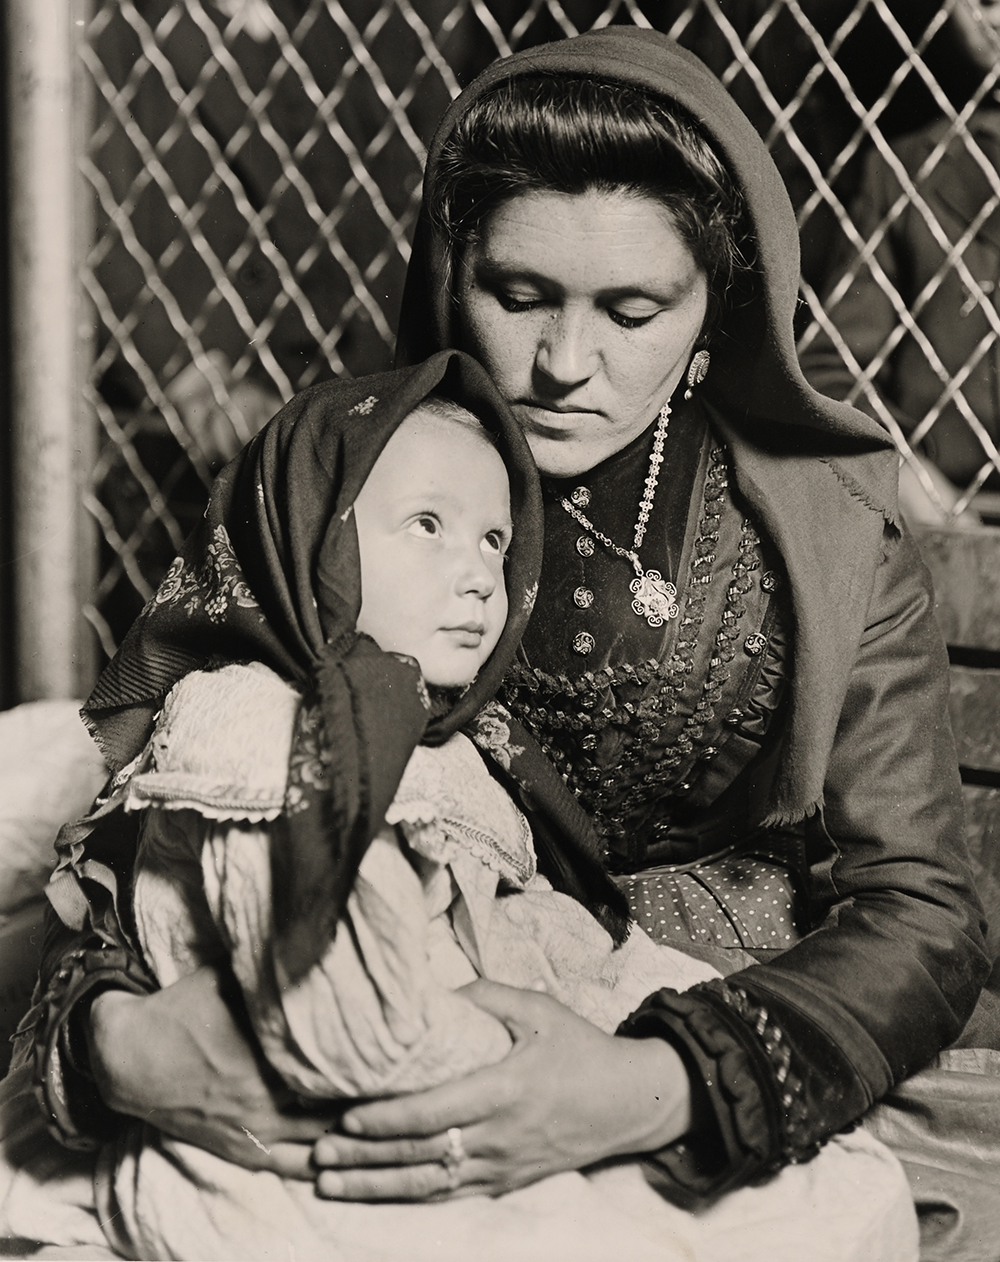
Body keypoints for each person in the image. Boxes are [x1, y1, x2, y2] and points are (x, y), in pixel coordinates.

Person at [13, 26, 998, 1259]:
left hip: (692, 1058)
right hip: (337, 1042)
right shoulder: (335, 485)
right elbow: (146, 814)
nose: (563, 363)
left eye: (632, 309)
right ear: (446, 272)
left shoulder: (822, 535)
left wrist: (654, 1085)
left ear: (713, 316)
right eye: (517, 294)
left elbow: (924, 910)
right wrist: (118, 1043)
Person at [799, 0, 1000, 525]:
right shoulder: (906, 168)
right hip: (945, 517)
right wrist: (905, 473)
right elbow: (831, 367)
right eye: (984, 2)